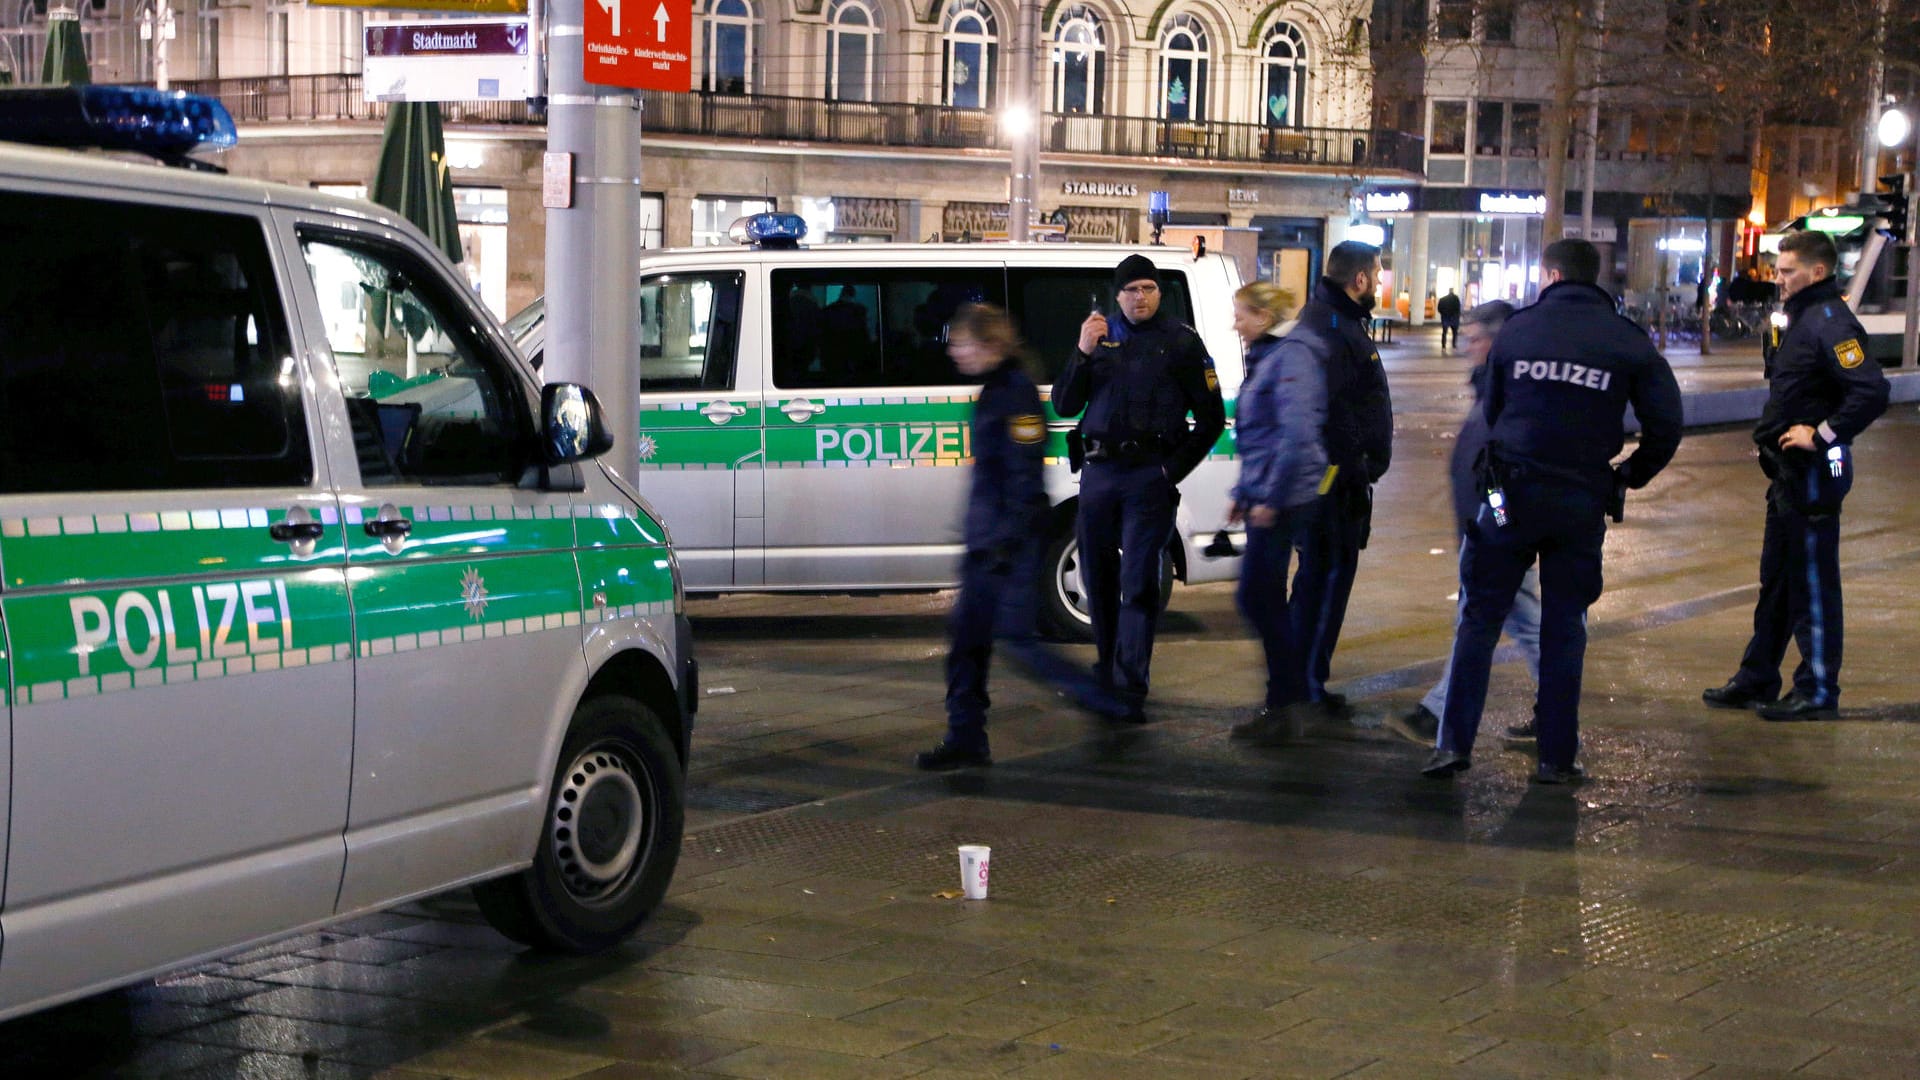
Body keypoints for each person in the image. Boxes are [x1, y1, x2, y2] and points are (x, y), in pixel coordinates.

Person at [1422, 239, 1683, 784]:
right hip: (1580, 498)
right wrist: (1628, 476)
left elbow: (1491, 407)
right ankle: (1556, 759)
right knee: (1565, 629)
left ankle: (1452, 746)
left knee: (1478, 620)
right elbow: (1667, 425)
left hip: (1509, 496)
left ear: (1551, 274)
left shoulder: (1517, 329)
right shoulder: (1626, 340)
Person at [917, 304, 1125, 770]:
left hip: (1004, 547)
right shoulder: (995, 390)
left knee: (1017, 644)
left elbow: (1023, 474)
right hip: (987, 541)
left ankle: (1106, 702)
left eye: (963, 344)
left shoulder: (1015, 392)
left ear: (989, 345)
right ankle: (966, 739)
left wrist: (1005, 541)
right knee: (967, 645)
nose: (955, 353)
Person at [1701, 230, 1889, 722]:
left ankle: (1819, 688)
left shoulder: (1831, 322)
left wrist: (1824, 434)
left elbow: (1869, 390)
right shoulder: (1803, 318)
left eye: (1788, 271)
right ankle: (1757, 676)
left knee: (1812, 581)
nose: (1778, 279)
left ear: (1818, 272)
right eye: (1778, 270)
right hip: (1788, 474)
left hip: (1812, 473)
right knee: (1779, 579)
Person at [1054, 254, 1227, 722]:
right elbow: (1066, 403)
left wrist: (1171, 472)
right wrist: (1081, 353)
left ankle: (1131, 685)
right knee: (1098, 579)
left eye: (1149, 288)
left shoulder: (1181, 343)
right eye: (1132, 290)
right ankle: (1106, 671)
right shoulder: (1099, 336)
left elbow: (1211, 419)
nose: (1141, 297)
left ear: (1159, 294)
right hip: (1099, 474)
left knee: (1139, 584)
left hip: (1149, 476)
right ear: (1118, 295)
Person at [1390, 300, 1544, 747]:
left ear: (1498, 342)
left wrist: (1497, 524)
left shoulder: (1506, 396)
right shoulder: (1493, 389)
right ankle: (1553, 710)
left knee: (1479, 624)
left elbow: (1501, 475)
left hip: (1493, 536)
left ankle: (1438, 715)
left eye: (1475, 338)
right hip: (1486, 533)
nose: (1466, 347)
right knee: (1523, 626)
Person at [1288, 241, 1394, 720]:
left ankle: (1305, 679)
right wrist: (1353, 466)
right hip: (1332, 484)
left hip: (1337, 480)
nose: (1380, 281)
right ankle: (1303, 683)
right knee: (1323, 583)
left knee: (1322, 581)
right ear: (1359, 280)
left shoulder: (1336, 321)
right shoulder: (1331, 327)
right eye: (1377, 273)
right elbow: (1330, 411)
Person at [1224, 282, 1328, 745]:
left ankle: (1287, 703)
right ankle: (1286, 700)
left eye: (1241, 314)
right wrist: (1245, 491)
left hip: (1285, 498)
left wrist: (1270, 496)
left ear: (1264, 317)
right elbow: (1263, 435)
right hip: (1269, 492)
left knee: (1257, 598)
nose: (1235, 323)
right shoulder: (1272, 354)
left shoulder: (1291, 358)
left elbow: (1296, 435)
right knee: (1260, 598)